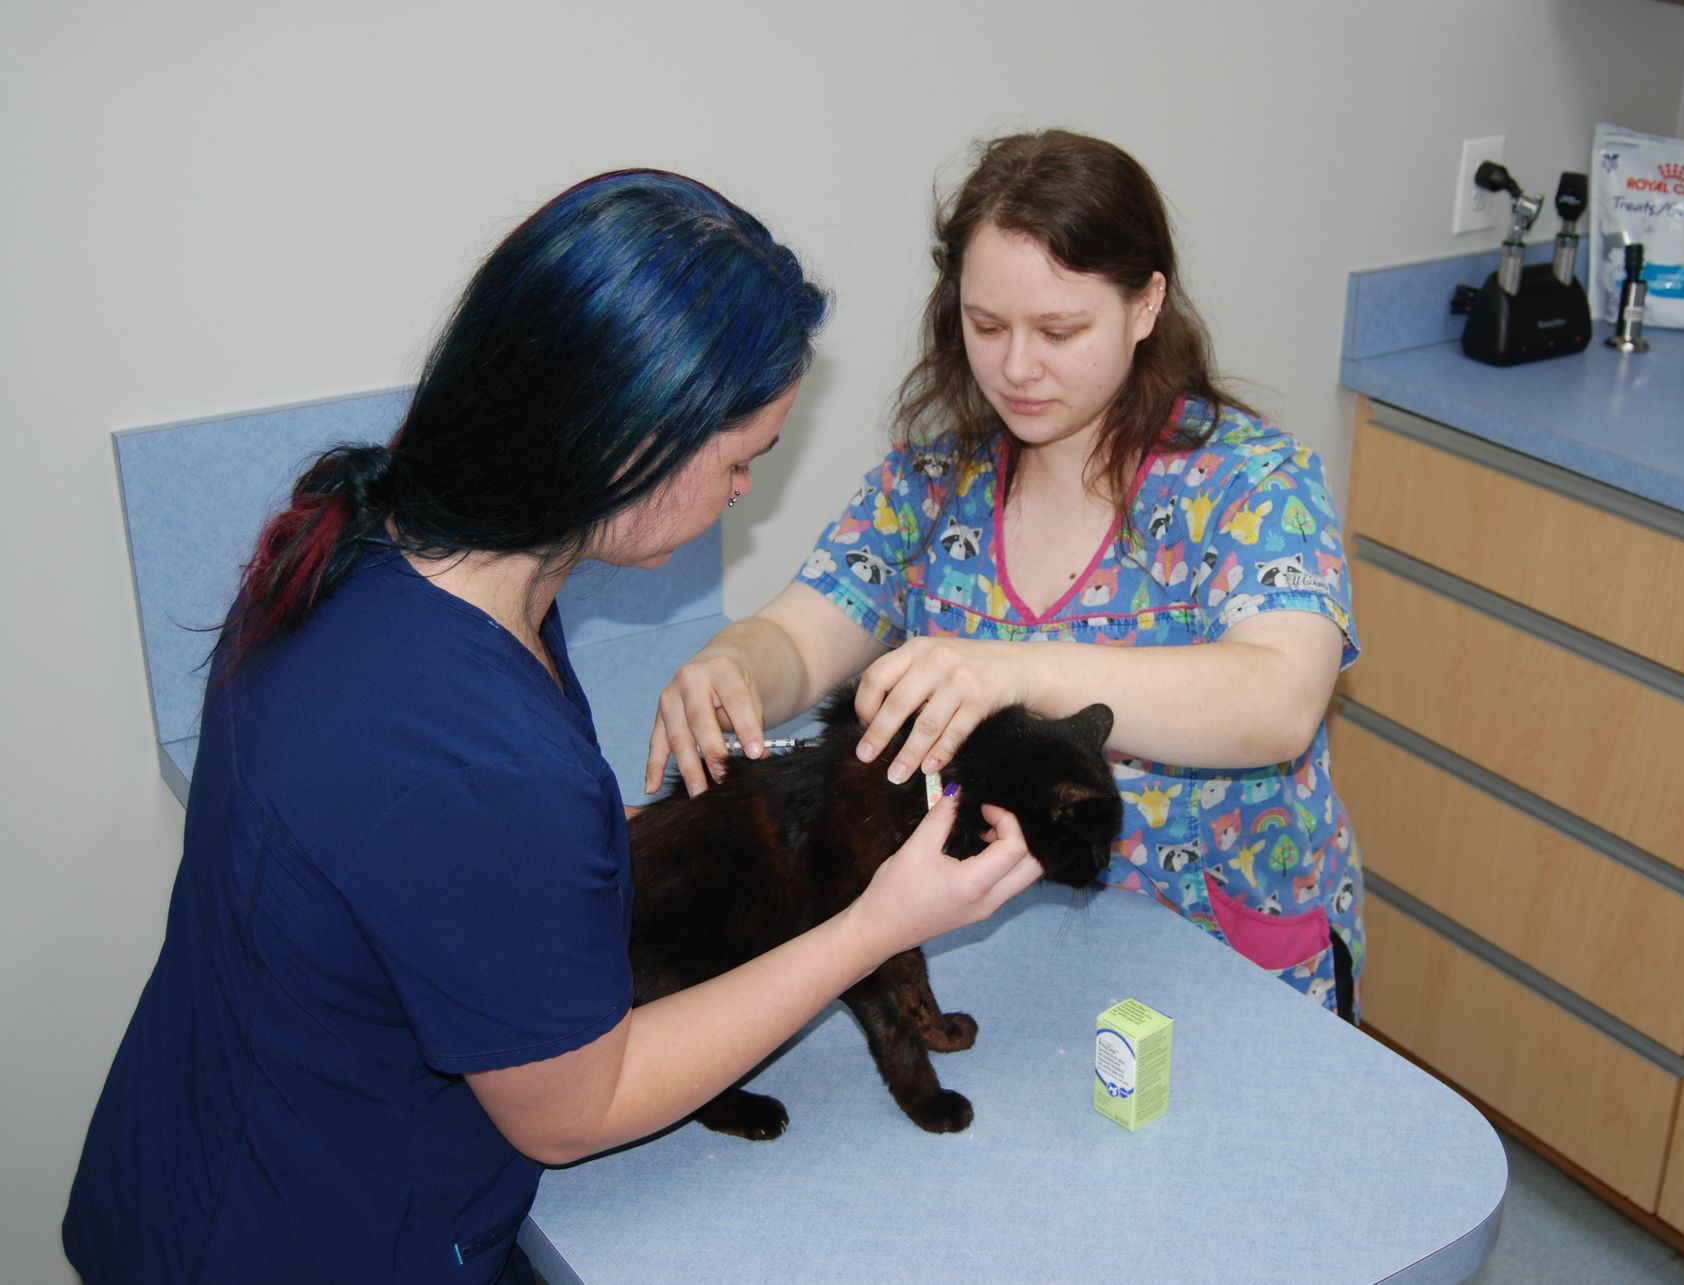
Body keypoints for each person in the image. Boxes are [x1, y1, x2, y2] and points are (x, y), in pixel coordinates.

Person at [63, 170, 1041, 1284]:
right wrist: (874, 923)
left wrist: (570, 859)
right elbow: (575, 1109)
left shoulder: (374, 547)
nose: (741, 494)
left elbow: (406, 858)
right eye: (741, 459)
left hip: (187, 1167)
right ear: (631, 441)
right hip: (310, 1240)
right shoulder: (479, 757)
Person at [649, 130, 1364, 1020]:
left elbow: (1281, 701)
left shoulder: (1252, 485)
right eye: (986, 326)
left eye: (1060, 330)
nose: (1016, 367)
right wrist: (734, 664)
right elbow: (801, 633)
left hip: (1231, 958)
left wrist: (1018, 668)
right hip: (1025, 961)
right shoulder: (929, 486)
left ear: (1146, 305)